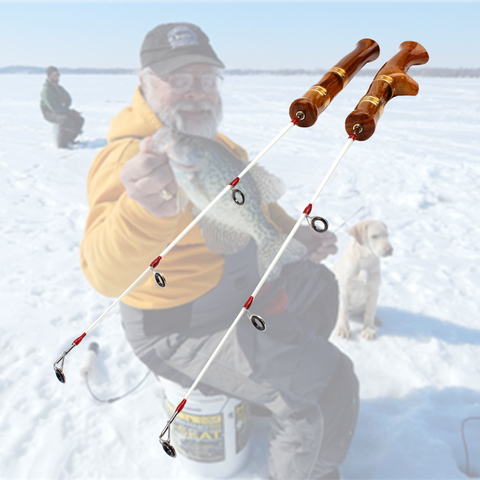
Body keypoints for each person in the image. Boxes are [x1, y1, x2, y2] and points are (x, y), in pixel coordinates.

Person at [80, 22, 359, 480]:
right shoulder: (131, 160)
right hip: (178, 328)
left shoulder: (218, 145)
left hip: (234, 296)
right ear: (144, 83)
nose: (196, 93)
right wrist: (142, 212)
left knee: (318, 287)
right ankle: (314, 464)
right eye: (180, 80)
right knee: (329, 383)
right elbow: (104, 273)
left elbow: (258, 205)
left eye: (206, 80)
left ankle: (263, 392)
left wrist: (298, 235)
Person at [40, 66, 84, 148]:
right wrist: (66, 111)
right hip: (48, 112)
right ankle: (62, 145)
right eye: (53, 75)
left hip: (59, 110)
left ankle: (70, 139)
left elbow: (68, 99)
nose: (56, 77)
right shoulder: (46, 90)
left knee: (79, 119)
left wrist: (67, 108)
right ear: (49, 76)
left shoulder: (58, 88)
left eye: (57, 75)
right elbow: (53, 107)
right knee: (65, 119)